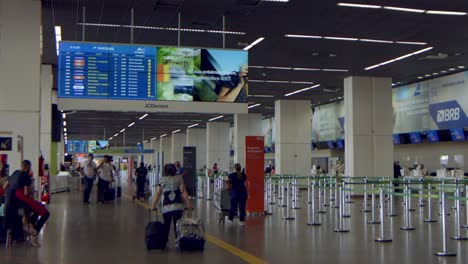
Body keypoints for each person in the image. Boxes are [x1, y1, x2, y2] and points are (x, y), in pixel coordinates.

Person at [7, 160, 50, 244]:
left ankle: (30, 225)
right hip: (24, 199)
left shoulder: (14, 173)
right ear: (27, 168)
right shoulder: (25, 175)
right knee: (46, 213)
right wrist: (31, 190)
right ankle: (35, 232)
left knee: (39, 207)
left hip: (14, 202)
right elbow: (26, 192)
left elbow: (6, 186)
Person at [151, 164, 192, 240]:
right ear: (174, 171)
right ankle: (178, 240)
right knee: (178, 225)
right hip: (178, 207)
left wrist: (153, 206)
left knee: (166, 225)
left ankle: (165, 240)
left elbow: (157, 194)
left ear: (165, 171)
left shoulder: (162, 180)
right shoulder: (179, 178)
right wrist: (189, 206)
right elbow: (184, 193)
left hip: (166, 207)